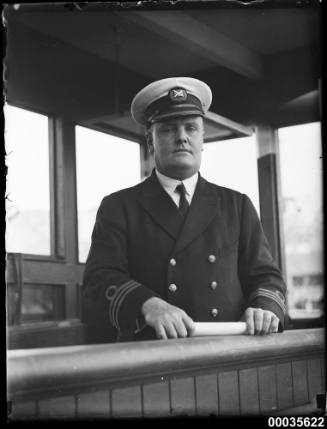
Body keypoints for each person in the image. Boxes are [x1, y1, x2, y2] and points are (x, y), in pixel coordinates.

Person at [81, 77, 287, 343]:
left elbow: (267, 278)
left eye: (191, 128)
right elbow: (99, 282)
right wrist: (148, 305)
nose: (181, 138)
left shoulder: (238, 205)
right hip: (152, 355)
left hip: (226, 351)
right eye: (168, 129)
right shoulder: (118, 207)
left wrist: (264, 308)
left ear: (202, 139)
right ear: (150, 140)